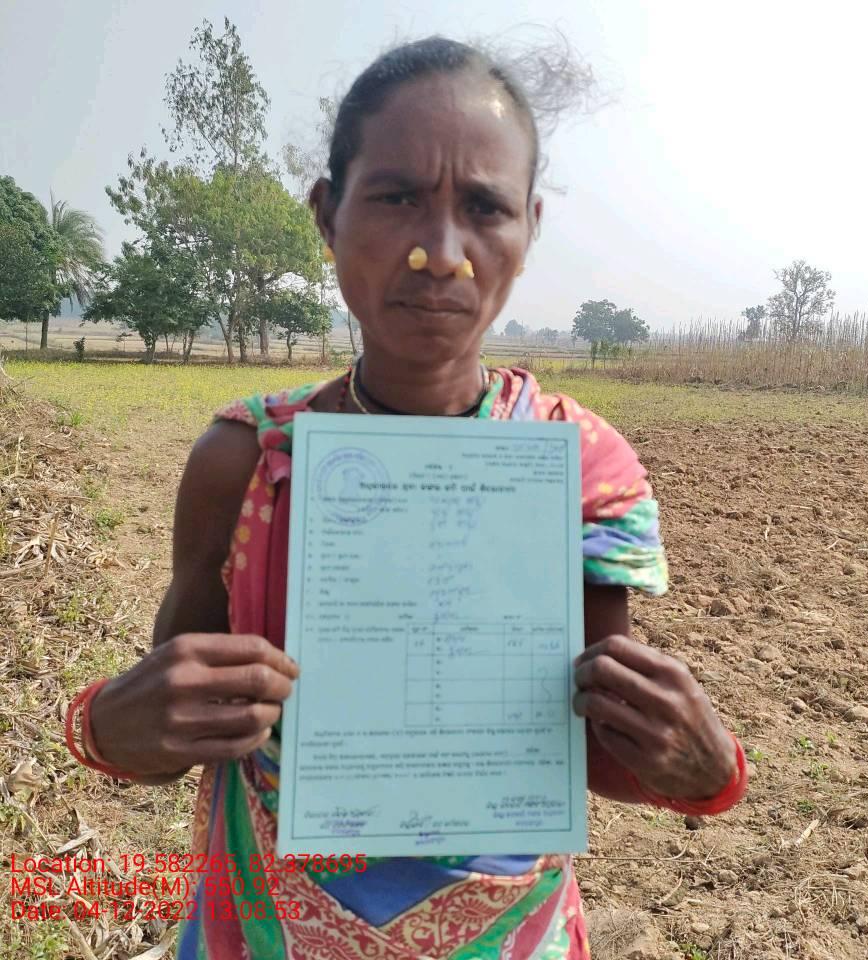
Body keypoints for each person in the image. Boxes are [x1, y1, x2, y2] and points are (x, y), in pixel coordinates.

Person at [66, 36, 747, 959]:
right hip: (266, 930)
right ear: (328, 212)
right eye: (395, 198)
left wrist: (705, 770)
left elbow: (588, 751)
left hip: (508, 934)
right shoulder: (245, 462)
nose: (440, 254)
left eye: (485, 207)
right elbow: (170, 740)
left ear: (530, 227)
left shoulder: (578, 466)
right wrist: (109, 726)